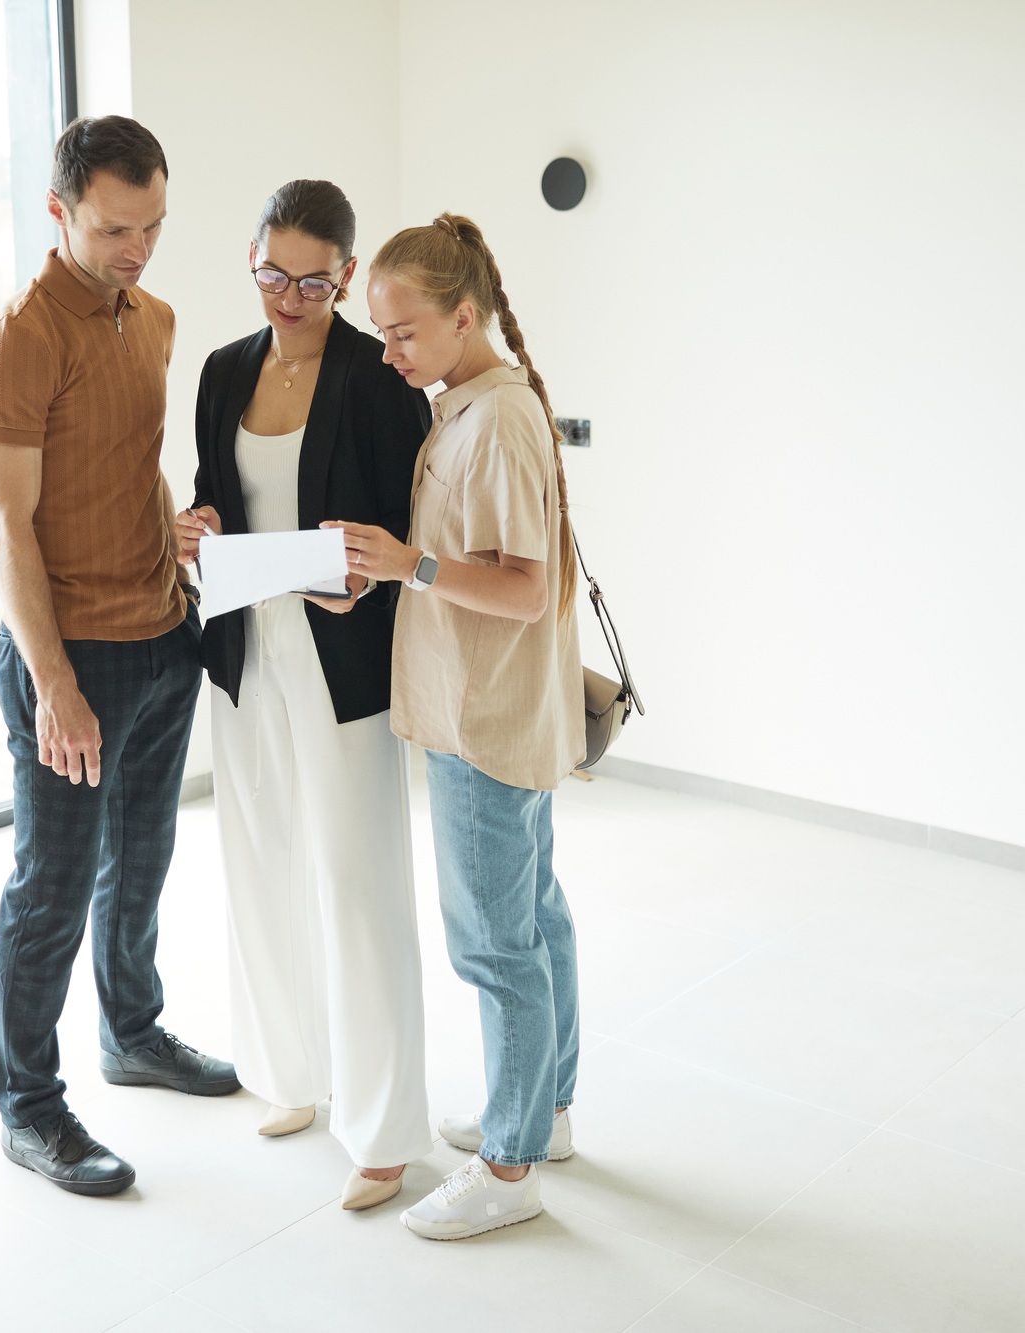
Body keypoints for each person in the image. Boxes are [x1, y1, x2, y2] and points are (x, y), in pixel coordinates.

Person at [0, 115, 237, 1198]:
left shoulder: (157, 319)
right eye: (116, 227)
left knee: (142, 861)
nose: (138, 246)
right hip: (71, 654)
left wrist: (173, 521)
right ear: (60, 211)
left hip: (163, 634)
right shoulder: (21, 334)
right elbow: (4, 527)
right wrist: (55, 684)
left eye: (154, 224)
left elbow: (126, 463)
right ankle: (30, 1107)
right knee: (52, 888)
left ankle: (133, 1032)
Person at [173, 180, 434, 1213]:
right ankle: (290, 1073)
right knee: (262, 862)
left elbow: (407, 524)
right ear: (251, 256)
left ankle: (380, 1130)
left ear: (348, 276)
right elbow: (213, 491)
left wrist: (367, 575)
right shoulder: (221, 368)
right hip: (244, 646)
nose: (288, 296)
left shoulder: (378, 379)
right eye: (272, 274)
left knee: (357, 885)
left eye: (313, 282)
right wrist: (196, 523)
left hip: (342, 655)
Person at [328, 213, 586, 1240]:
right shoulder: (471, 401)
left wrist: (409, 566)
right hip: (485, 710)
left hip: (483, 721)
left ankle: (511, 1162)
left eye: (401, 334)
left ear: (462, 316)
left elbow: (521, 592)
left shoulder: (495, 420)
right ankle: (545, 1108)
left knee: (494, 945)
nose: (386, 353)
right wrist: (392, 575)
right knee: (537, 917)